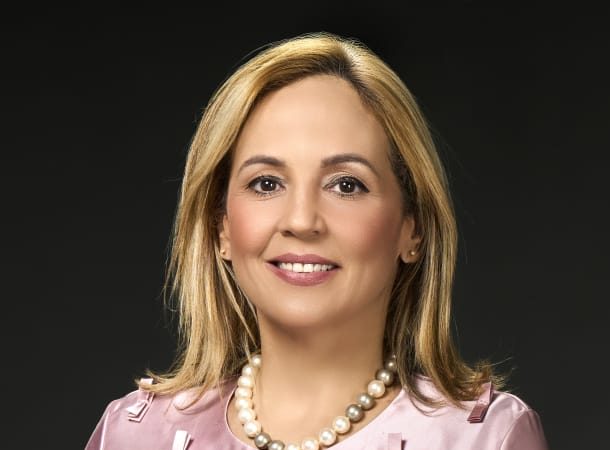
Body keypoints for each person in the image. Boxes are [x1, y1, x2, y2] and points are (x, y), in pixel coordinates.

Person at [86, 32, 548, 450]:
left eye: (346, 184)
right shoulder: (132, 435)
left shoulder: (486, 439)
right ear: (220, 227)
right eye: (266, 183)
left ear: (413, 229)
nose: (302, 220)